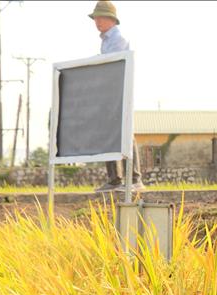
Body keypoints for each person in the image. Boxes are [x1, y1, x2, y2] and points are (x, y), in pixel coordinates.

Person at [89, 0, 145, 192]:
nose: (97, 21)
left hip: (118, 93)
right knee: (109, 134)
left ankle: (135, 178)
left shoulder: (117, 40)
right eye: (95, 18)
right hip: (108, 93)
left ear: (111, 19)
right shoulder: (106, 40)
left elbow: (111, 66)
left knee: (125, 133)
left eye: (100, 17)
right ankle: (115, 179)